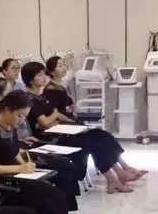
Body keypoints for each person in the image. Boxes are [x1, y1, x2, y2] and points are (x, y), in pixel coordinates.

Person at [0, 89, 87, 214]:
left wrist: (24, 165)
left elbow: (13, 150)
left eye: (24, 116)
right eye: (19, 115)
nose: (22, 120)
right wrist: (18, 169)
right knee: (46, 201)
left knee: (57, 194)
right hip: (0, 179)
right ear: (7, 110)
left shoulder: (9, 124)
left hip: (15, 174)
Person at [22, 62, 144, 193]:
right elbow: (45, 122)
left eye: (43, 74)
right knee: (93, 144)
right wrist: (55, 115)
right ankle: (112, 180)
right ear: (30, 80)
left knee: (102, 135)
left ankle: (122, 171)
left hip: (61, 130)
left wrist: (71, 121)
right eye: (39, 75)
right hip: (50, 138)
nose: (44, 77)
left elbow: (57, 114)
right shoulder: (30, 100)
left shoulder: (42, 96)